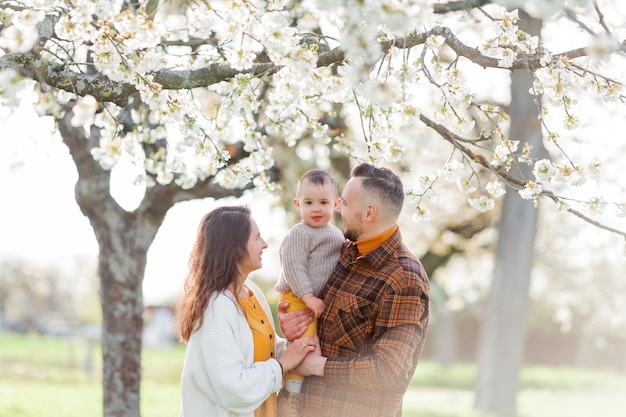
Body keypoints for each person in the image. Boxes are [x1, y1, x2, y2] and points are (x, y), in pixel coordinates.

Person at [277, 163, 430, 417]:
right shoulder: (343, 252)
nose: (338, 209)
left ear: (369, 213)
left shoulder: (403, 279)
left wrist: (316, 366)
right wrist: (294, 319)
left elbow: (388, 371)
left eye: (345, 204)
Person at [177, 206, 317, 417]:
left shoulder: (252, 292)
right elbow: (234, 388)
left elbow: (267, 352)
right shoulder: (216, 309)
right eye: (257, 238)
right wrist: (284, 364)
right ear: (235, 248)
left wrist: (298, 343)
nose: (264, 244)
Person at [274, 169, 345, 395]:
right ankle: (292, 386)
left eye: (323, 202)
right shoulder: (299, 234)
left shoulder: (336, 235)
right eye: (309, 202)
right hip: (297, 296)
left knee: (315, 341)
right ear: (297, 204)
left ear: (336, 204)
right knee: (307, 341)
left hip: (315, 299)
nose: (316, 208)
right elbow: (293, 267)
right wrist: (307, 296)